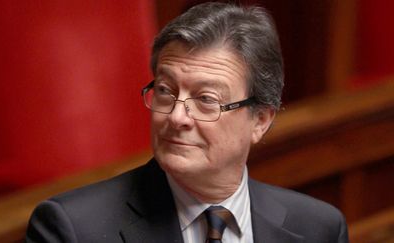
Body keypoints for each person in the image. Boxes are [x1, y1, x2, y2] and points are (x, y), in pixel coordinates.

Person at [25, 2, 349, 242]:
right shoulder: (73, 229)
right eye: (166, 91)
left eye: (206, 100)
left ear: (260, 120)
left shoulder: (317, 228)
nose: (177, 117)